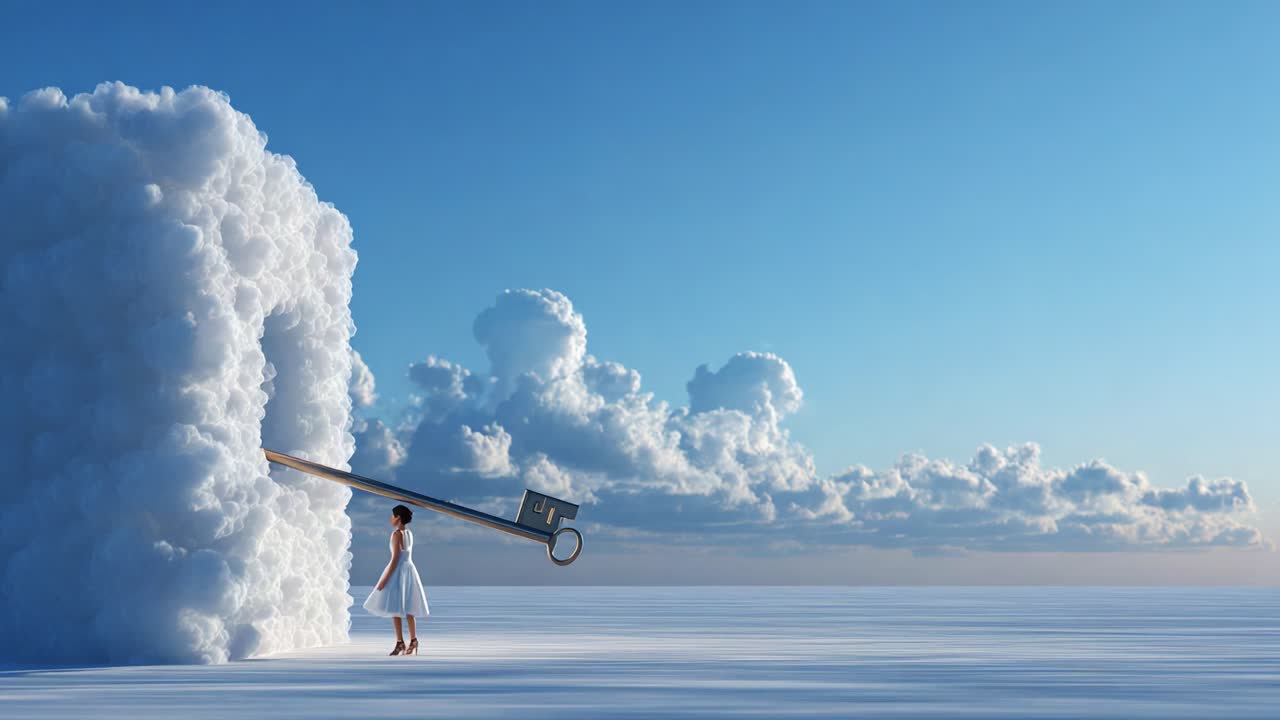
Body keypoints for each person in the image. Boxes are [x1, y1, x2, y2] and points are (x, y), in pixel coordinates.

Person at [363, 504, 430, 655]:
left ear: (398, 517)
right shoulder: (409, 533)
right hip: (410, 569)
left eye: (392, 516)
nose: (391, 519)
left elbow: (395, 559)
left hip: (399, 571)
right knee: (408, 608)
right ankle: (413, 639)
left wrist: (384, 580)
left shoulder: (396, 535)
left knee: (395, 607)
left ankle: (400, 642)